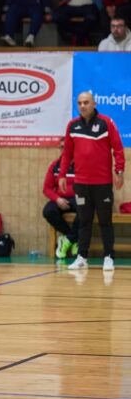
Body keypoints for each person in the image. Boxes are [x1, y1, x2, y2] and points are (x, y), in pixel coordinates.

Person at [59, 92, 125, 271]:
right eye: (79, 103)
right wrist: (62, 175)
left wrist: (119, 172)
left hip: (102, 183)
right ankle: (82, 257)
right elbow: (67, 153)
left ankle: (108, 257)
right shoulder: (72, 125)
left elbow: (118, 149)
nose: (82, 106)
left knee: (105, 221)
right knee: (84, 221)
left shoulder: (106, 123)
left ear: (94, 104)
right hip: (81, 184)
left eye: (86, 102)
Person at [43, 138, 78, 259]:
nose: (63, 150)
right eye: (61, 147)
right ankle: (72, 238)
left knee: (86, 209)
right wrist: (57, 199)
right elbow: (47, 189)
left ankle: (68, 240)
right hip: (60, 199)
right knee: (48, 211)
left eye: (66, 147)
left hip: (77, 198)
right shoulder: (55, 166)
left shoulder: (81, 165)